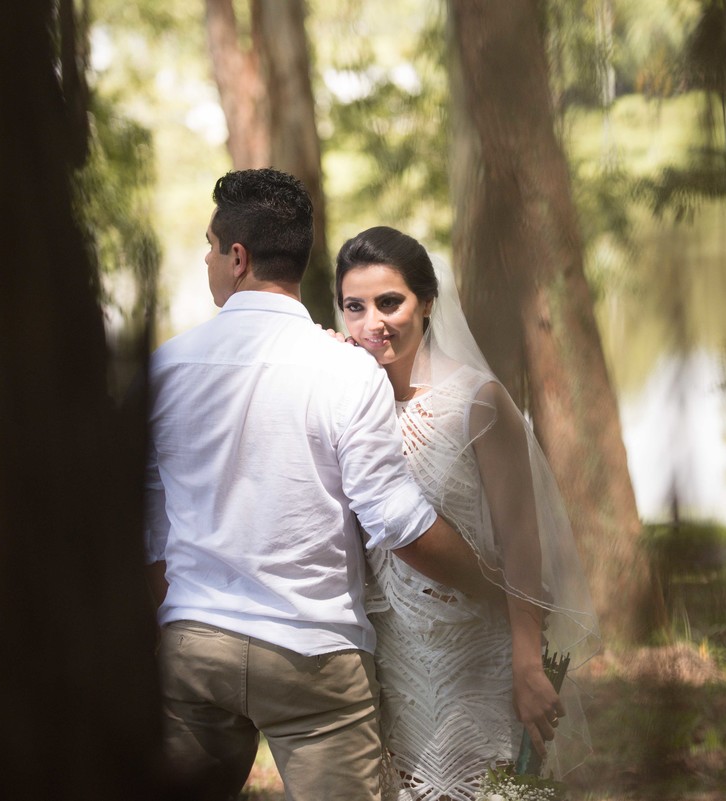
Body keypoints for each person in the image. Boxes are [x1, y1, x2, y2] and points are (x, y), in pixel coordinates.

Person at [144, 169, 497, 801]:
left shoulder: (166, 368)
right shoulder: (345, 370)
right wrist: (491, 586)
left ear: (238, 258)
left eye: (210, 246)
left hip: (194, 647)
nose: (207, 260)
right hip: (313, 654)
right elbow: (397, 522)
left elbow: (148, 534)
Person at [334, 226, 601, 801]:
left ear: (427, 303)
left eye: (390, 302)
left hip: (473, 649)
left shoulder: (478, 401)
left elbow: (521, 539)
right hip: (387, 654)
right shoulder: (342, 401)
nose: (372, 323)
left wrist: (527, 660)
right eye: (354, 307)